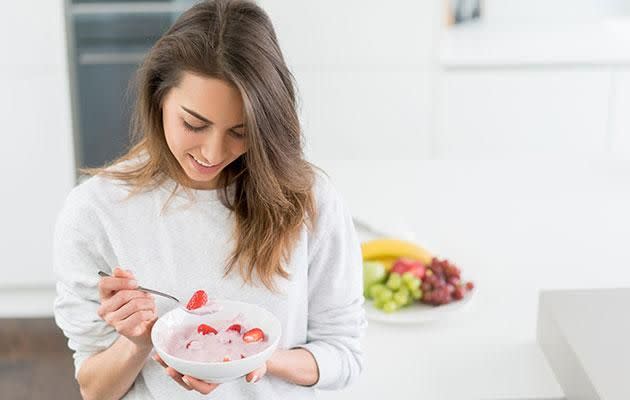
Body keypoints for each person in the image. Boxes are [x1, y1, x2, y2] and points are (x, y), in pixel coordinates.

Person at [52, 0, 366, 398]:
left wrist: (261, 360)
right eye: (194, 124)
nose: (213, 154)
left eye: (240, 131)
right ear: (158, 97)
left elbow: (345, 354)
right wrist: (136, 341)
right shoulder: (94, 212)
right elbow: (95, 390)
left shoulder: (308, 201)